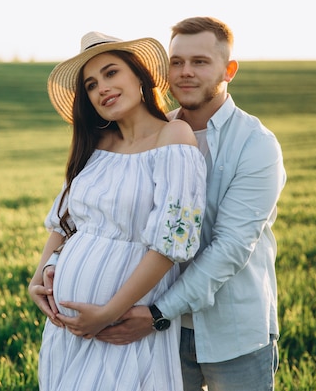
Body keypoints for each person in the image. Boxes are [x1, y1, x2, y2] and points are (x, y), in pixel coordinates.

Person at [34, 17, 287, 391]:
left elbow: (229, 247)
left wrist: (152, 314)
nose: (185, 73)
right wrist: (50, 266)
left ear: (228, 70)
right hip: (153, 329)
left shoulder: (255, 144)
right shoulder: (145, 135)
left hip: (226, 328)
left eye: (200, 62)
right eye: (177, 62)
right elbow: (90, 218)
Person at [28, 31, 206, 390]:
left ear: (139, 77)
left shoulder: (174, 137)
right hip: (68, 328)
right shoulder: (96, 146)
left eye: (111, 73)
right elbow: (64, 225)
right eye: (91, 85)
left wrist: (109, 314)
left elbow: (171, 243)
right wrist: (37, 278)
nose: (102, 89)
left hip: (121, 328)